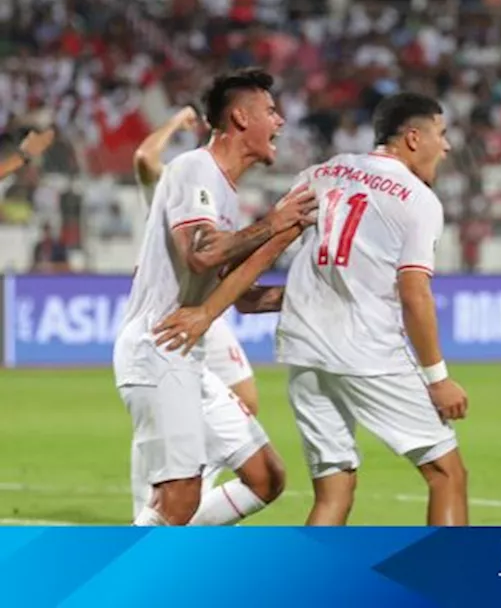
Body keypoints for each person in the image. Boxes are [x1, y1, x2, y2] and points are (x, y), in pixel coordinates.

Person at [153, 92, 470, 526]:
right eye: (442, 134)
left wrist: (211, 309)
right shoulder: (417, 200)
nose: (447, 146)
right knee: (446, 474)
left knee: (333, 490)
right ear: (414, 138)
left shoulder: (323, 173)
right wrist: (439, 379)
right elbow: (415, 295)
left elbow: (268, 245)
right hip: (367, 350)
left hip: (304, 352)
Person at [114, 68, 317, 526]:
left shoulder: (224, 192)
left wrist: (317, 292)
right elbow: (202, 255)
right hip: (158, 348)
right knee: (179, 497)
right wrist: (274, 223)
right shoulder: (194, 168)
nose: (280, 121)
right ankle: (133, 573)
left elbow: (241, 298)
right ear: (241, 118)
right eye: (270, 111)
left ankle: (157, 549)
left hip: (187, 354)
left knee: (266, 477)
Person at [127, 103, 272, 518]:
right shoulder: (180, 177)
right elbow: (143, 158)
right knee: (234, 400)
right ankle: (165, 505)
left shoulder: (217, 190)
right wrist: (174, 120)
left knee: (243, 409)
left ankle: (177, 504)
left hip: (202, 307)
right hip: (178, 310)